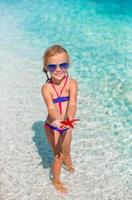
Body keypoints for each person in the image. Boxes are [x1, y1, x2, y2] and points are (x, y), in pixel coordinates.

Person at [41, 44, 79, 193]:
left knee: (67, 150)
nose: (58, 69)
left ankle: (69, 166)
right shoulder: (46, 88)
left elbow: (73, 104)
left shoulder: (72, 83)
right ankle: (56, 181)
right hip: (52, 126)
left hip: (66, 124)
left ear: (68, 64)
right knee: (58, 154)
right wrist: (58, 121)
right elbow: (51, 107)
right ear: (46, 67)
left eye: (63, 65)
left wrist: (67, 121)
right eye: (52, 66)